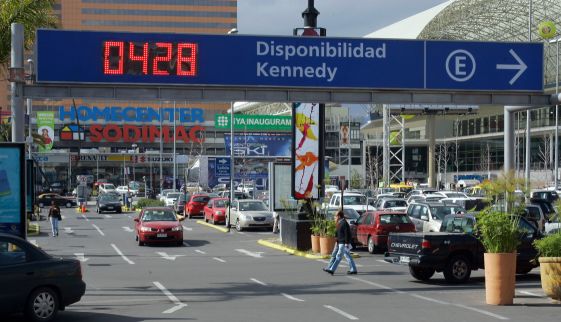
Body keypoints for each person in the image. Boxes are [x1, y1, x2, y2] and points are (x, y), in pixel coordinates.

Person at [323, 210, 357, 275]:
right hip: (340, 243)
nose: (335, 217)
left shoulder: (344, 223)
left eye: (336, 215)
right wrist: (337, 241)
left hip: (343, 243)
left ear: (339, 216)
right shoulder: (340, 222)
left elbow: (347, 233)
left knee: (339, 256)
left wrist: (346, 243)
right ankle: (353, 269)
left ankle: (332, 269)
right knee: (347, 256)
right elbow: (338, 233)